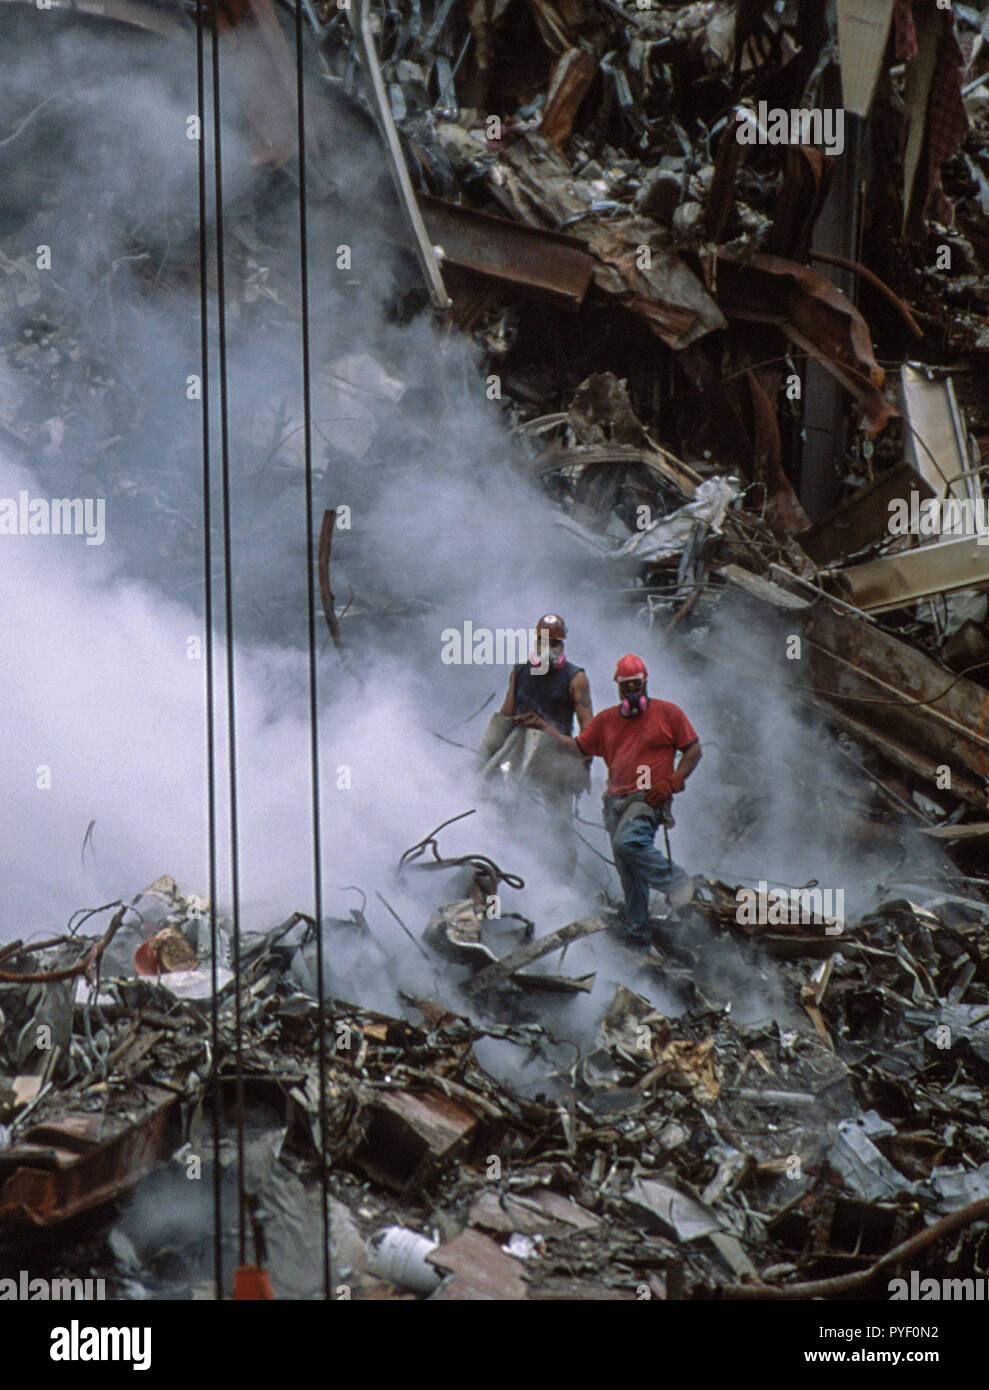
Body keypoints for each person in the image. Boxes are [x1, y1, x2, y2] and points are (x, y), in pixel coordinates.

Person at [517, 652, 701, 943]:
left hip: (647, 796)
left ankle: (680, 885)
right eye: (626, 686)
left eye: (636, 685)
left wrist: (673, 781)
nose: (631, 691)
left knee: (628, 843)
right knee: (630, 873)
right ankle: (637, 934)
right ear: (618, 686)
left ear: (646, 682)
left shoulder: (669, 714)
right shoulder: (606, 721)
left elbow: (693, 750)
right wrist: (546, 729)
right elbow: (579, 748)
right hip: (615, 801)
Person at [478, 612, 592, 818]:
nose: (547, 648)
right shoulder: (520, 672)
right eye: (543, 641)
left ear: (562, 646)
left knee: (558, 825)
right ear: (536, 642)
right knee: (505, 810)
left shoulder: (576, 678)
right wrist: (485, 757)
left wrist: (583, 767)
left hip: (555, 761)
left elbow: (589, 734)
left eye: (554, 643)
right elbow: (505, 717)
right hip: (519, 755)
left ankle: (563, 850)